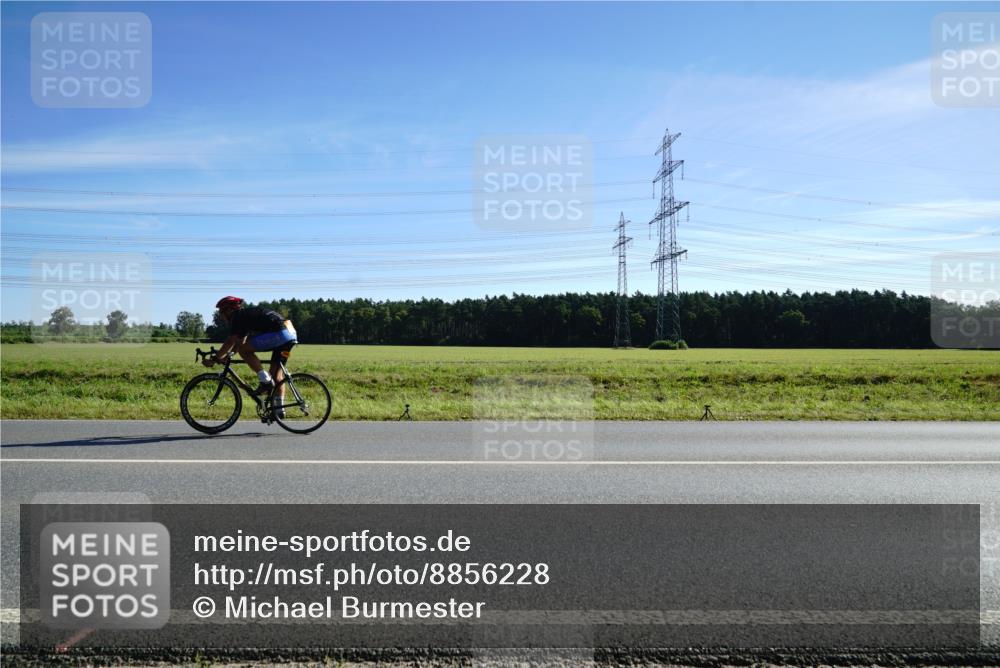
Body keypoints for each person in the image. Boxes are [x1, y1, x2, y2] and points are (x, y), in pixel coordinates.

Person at [205, 297, 297, 404]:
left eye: (222, 312)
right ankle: (279, 410)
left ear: (229, 310)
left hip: (279, 333)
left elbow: (230, 341)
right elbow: (239, 342)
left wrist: (215, 358)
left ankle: (265, 380)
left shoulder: (237, 317)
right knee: (275, 376)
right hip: (290, 334)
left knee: (244, 351)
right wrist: (227, 357)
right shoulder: (246, 316)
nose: (221, 316)